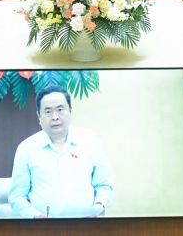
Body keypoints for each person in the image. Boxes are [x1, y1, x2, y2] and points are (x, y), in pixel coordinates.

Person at [9, 86, 113, 219]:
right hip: (42, 227)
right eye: (48, 112)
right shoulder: (26, 148)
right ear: (39, 116)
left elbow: (104, 185)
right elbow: (17, 196)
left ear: (70, 111)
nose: (55, 117)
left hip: (87, 225)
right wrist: (36, 216)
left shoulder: (90, 141)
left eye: (60, 110)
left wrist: (98, 207)